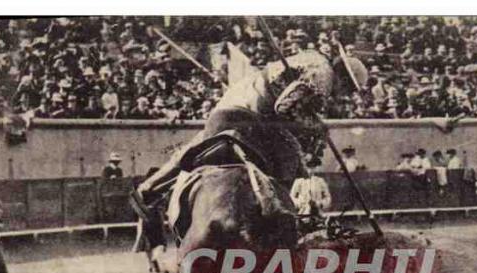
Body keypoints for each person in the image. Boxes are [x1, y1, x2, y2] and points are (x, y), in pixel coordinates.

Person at [132, 50, 367, 256]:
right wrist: (314, 125)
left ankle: (152, 189)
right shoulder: (323, 76)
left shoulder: (311, 59)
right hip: (251, 118)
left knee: (194, 150)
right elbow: (284, 107)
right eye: (348, 89)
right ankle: (286, 221)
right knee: (292, 154)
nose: (345, 95)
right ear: (343, 77)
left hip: (225, 111)